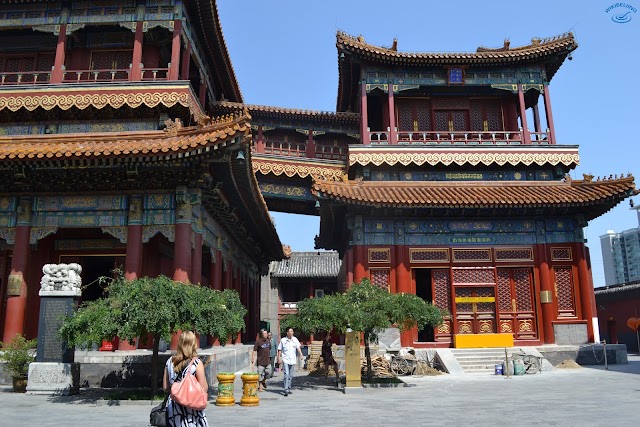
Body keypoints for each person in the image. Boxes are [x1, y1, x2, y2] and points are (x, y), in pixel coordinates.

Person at [163, 331, 209, 427]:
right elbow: (204, 388)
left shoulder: (169, 361)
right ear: (193, 344)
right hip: (192, 409)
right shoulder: (196, 363)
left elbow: (165, 387)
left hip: (174, 409)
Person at [277, 327, 303, 396]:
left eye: (292, 331)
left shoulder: (295, 339)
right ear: (287, 332)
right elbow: (279, 349)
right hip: (285, 359)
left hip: (293, 360)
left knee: (290, 375)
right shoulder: (283, 340)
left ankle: (288, 387)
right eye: (290, 331)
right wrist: (278, 357)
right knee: (286, 374)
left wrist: (301, 354)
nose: (291, 332)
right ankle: (286, 389)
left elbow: (298, 348)